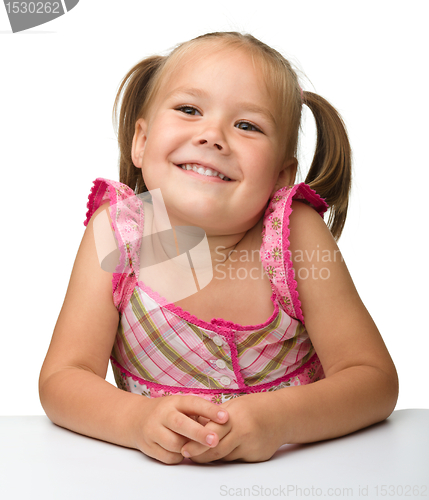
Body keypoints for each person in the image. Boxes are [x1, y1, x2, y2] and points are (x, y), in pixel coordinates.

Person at [39, 31, 398, 465]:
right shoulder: (119, 234)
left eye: (247, 125)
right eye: (189, 110)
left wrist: (279, 421)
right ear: (141, 141)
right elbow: (62, 378)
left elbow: (374, 380)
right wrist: (136, 419)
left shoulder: (294, 237)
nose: (212, 135)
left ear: (282, 175)